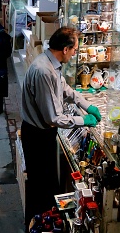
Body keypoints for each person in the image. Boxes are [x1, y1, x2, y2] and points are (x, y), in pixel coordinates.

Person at [20, 27, 102, 225]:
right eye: (74, 49)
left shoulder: (51, 64)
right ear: (65, 49)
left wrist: (86, 105)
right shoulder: (43, 71)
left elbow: (65, 89)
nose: (75, 53)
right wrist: (84, 120)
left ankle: (47, 221)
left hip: (44, 134)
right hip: (38, 135)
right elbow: (53, 117)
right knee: (40, 185)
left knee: (47, 184)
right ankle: (36, 225)